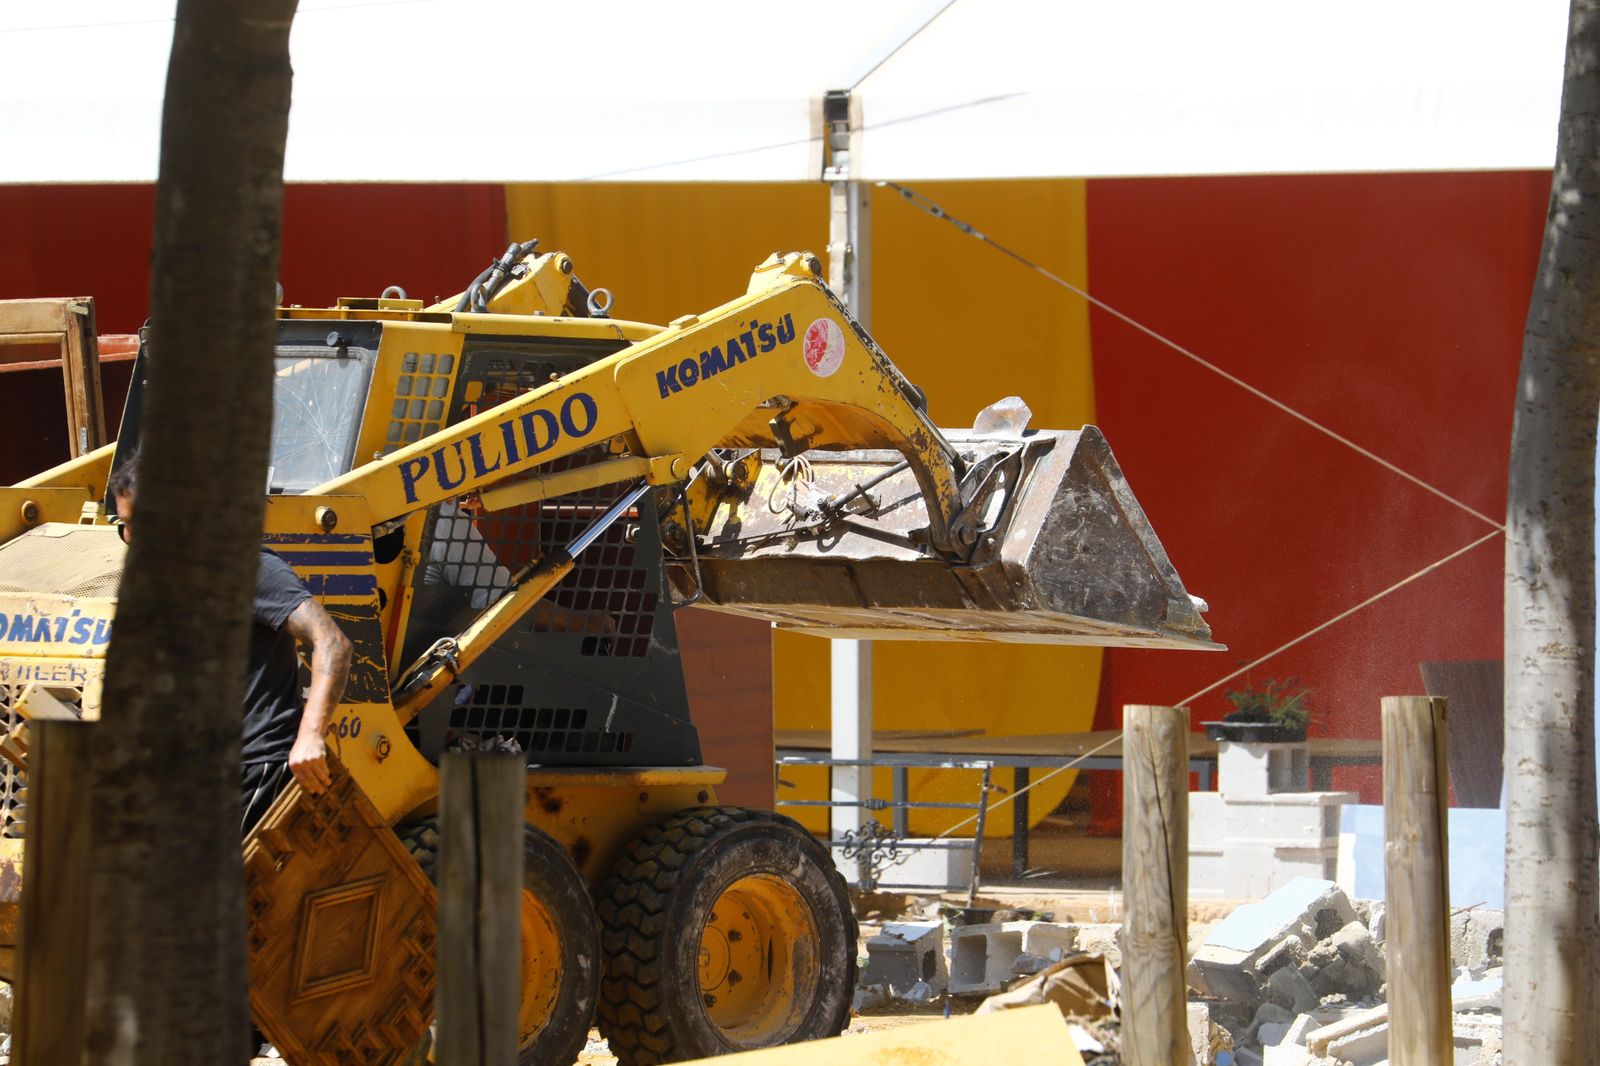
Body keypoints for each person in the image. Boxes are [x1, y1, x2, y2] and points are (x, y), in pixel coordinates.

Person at [108, 455, 353, 832]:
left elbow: (333, 643)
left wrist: (309, 737)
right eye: (123, 525)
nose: (131, 538)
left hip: (254, 770)